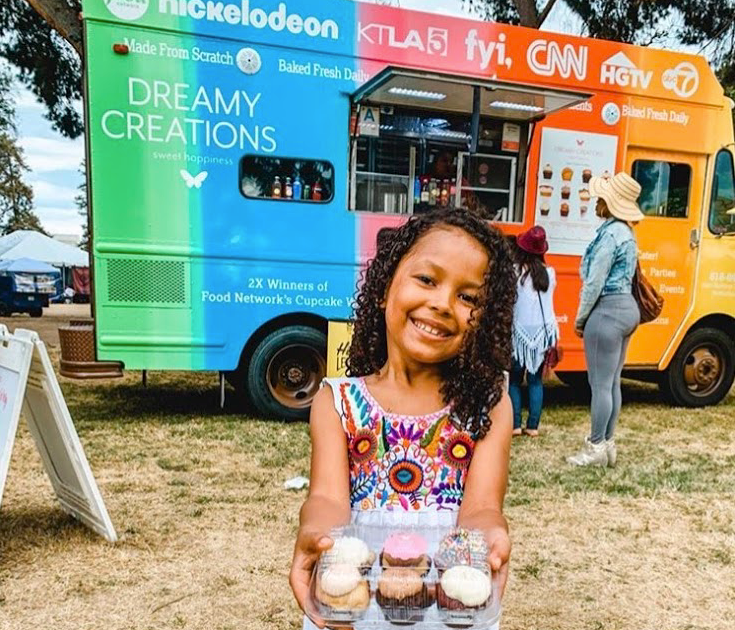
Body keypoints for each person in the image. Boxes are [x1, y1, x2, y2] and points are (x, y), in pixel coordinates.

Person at [289, 208, 517, 629]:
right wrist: (317, 533)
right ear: (383, 288)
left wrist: (491, 537)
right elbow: (327, 499)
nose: (442, 304)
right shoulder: (337, 401)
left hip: (449, 605)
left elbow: (482, 508)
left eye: (469, 298)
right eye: (427, 280)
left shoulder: (488, 404)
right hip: (353, 604)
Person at [567, 172, 644, 467]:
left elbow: (594, 283)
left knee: (598, 384)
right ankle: (608, 443)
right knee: (612, 382)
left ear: (609, 203)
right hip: (627, 309)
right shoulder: (628, 233)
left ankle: (596, 446)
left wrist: (580, 318)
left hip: (607, 311)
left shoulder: (610, 235)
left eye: (600, 198)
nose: (596, 201)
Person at [509, 226, 558, 438]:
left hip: (519, 332)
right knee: (536, 381)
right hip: (543, 333)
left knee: (514, 380)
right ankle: (533, 426)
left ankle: (516, 424)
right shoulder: (550, 274)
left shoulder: (515, 271)